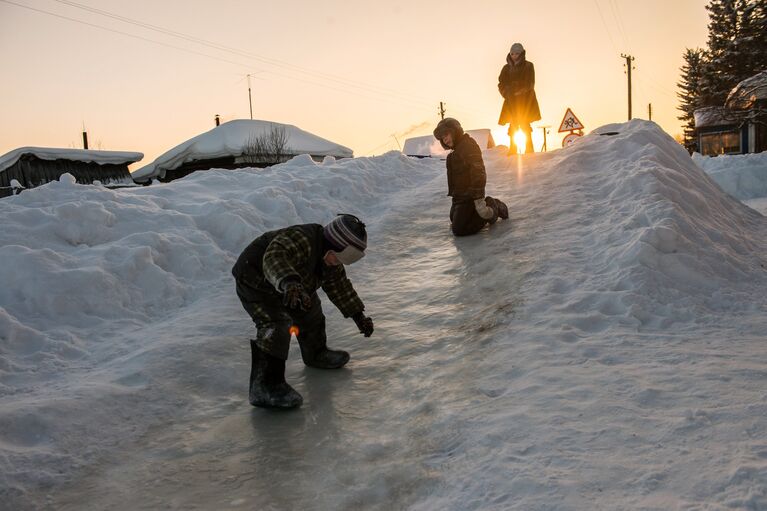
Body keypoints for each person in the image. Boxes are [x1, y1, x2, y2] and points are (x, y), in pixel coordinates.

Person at [232, 214, 374, 409]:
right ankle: (265, 385)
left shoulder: (330, 260)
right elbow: (275, 255)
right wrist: (289, 282)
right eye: (343, 256)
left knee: (311, 312)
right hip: (256, 279)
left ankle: (316, 353)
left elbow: (340, 287)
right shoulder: (302, 239)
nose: (342, 262)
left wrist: (358, 316)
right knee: (276, 324)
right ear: (333, 244)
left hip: (294, 283)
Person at [433, 118, 509, 237]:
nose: (445, 139)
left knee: (460, 229)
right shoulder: (456, 151)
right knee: (454, 218)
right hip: (460, 197)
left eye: (446, 134)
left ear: (455, 131)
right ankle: (474, 211)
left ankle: (494, 207)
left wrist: (478, 197)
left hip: (471, 195)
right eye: (442, 138)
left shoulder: (468, 145)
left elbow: (478, 171)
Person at [498, 42, 541, 154]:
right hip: (510, 101)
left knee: (524, 123)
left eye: (517, 53)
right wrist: (505, 92)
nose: (514, 56)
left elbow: (530, 83)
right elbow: (501, 83)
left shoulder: (528, 66)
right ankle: (513, 149)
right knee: (513, 125)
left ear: (521, 53)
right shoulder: (506, 68)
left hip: (525, 101)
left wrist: (517, 89)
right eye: (512, 53)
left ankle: (529, 148)